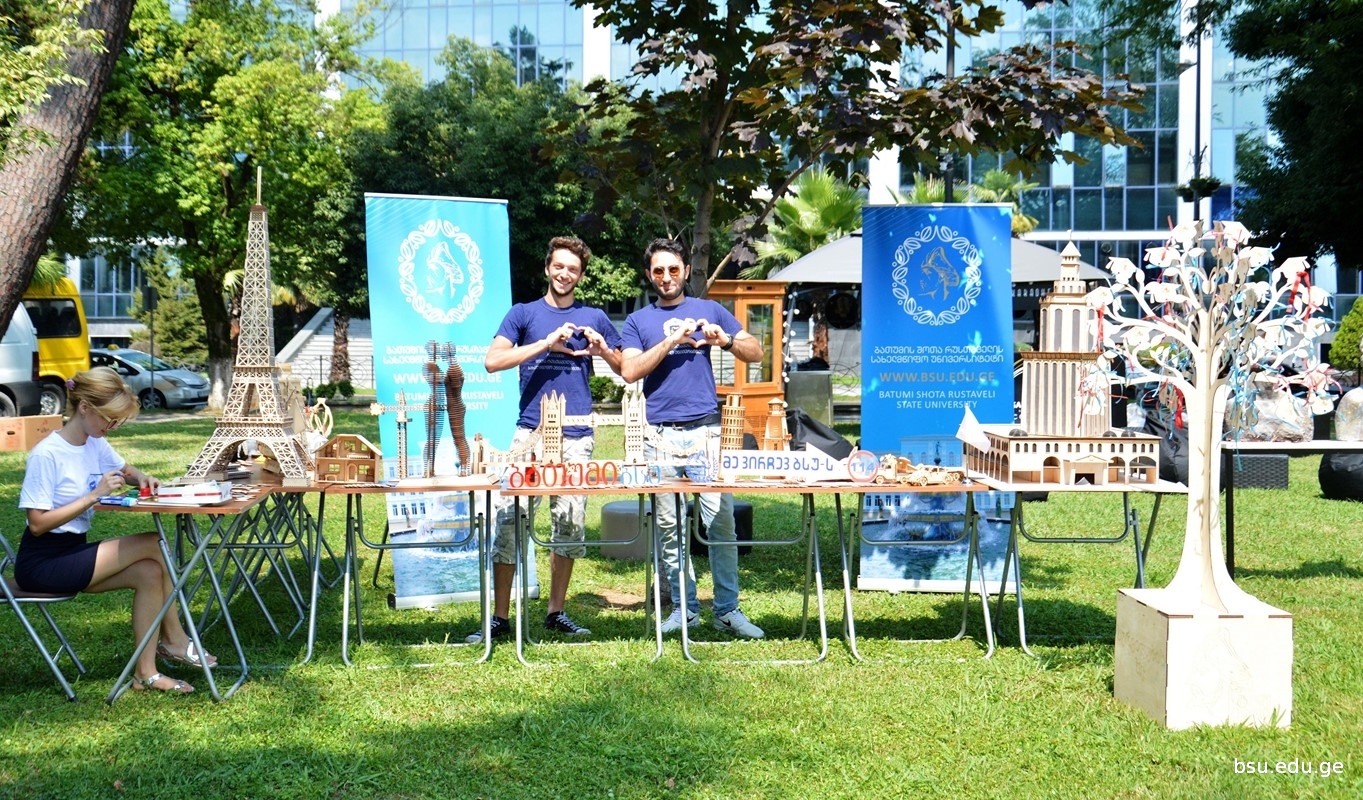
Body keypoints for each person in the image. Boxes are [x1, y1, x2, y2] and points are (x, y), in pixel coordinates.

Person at [16, 367, 216, 694]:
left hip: (73, 553)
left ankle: (145, 674)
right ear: (84, 408)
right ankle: (176, 640)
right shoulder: (47, 454)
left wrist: (143, 478)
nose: (110, 428)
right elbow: (37, 524)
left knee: (150, 572)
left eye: (117, 422)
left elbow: (126, 470)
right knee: (153, 542)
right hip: (43, 563)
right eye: (109, 420)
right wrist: (93, 496)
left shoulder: (94, 443)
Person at [466, 235, 623, 643]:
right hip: (529, 433)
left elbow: (626, 366)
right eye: (559, 266)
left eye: (573, 269)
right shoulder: (523, 313)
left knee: (568, 523)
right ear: (547, 268)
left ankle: (556, 612)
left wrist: (602, 348)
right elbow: (492, 361)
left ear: (580, 275)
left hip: (577, 434)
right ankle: (500, 617)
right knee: (509, 521)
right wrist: (545, 344)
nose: (565, 273)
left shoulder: (594, 316)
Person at [619, 238, 765, 639]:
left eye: (673, 269)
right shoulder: (638, 321)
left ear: (685, 270)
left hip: (707, 433)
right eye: (658, 270)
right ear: (649, 275)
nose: (666, 277)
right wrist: (671, 340)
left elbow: (756, 351)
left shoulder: (710, 309)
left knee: (721, 524)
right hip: (659, 435)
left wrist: (725, 339)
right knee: (669, 527)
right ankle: (684, 609)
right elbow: (629, 371)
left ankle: (727, 610)